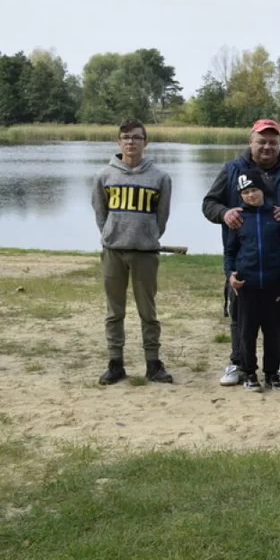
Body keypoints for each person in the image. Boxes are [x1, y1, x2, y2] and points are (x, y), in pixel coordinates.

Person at [203, 119, 280, 387]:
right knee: (241, 316)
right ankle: (239, 363)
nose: (267, 146)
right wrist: (224, 213)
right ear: (251, 142)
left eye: (272, 142)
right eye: (261, 141)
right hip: (245, 260)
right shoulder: (232, 169)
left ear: (279, 144)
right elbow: (209, 203)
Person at [91, 119, 173, 385]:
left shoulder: (160, 177)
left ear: (145, 142)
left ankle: (153, 364)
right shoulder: (105, 175)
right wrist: (111, 235)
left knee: (148, 312)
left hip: (145, 253)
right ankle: (116, 364)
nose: (131, 142)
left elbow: (162, 217)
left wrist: (147, 236)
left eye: (136, 138)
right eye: (125, 137)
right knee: (114, 312)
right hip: (114, 252)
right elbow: (100, 213)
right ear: (118, 142)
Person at [225, 170, 280, 392]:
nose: (251, 196)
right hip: (247, 287)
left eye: (254, 190)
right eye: (245, 192)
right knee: (247, 332)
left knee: (273, 332)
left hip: (273, 286)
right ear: (241, 196)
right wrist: (230, 275)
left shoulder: (277, 217)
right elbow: (230, 252)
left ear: (263, 191)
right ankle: (249, 372)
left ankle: (272, 373)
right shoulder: (238, 220)